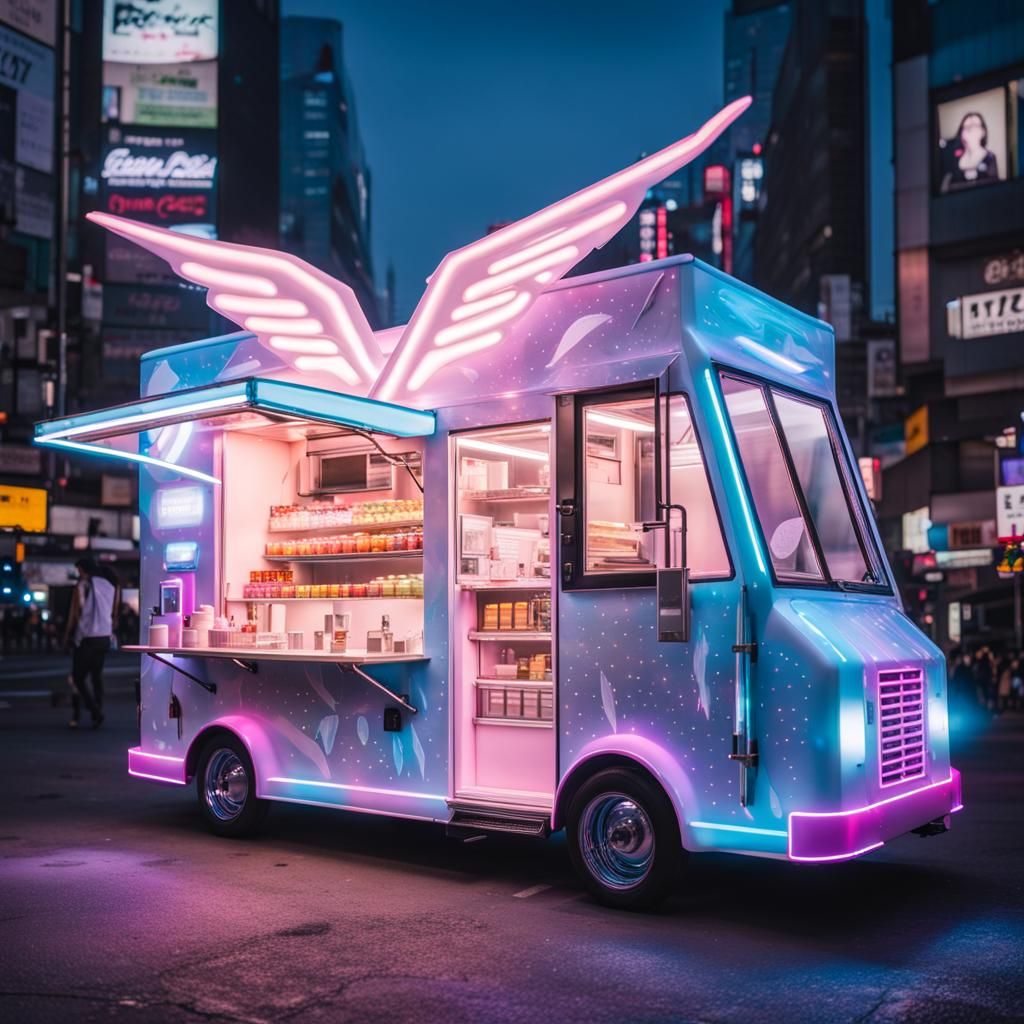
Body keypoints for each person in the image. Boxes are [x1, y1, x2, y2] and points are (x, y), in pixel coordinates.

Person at [63, 557, 119, 729]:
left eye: (79, 570)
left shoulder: (84, 586)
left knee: (78, 677)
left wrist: (71, 637)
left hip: (88, 638)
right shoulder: (109, 585)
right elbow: (113, 613)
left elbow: (80, 615)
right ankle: (97, 710)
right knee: (96, 675)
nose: (79, 574)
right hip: (104, 636)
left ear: (85, 570)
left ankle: (93, 711)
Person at [940, 111, 999, 192]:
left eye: (974, 125)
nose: (969, 129)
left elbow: (993, 189)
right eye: (966, 126)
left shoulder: (990, 157)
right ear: (961, 134)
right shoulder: (953, 156)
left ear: (983, 132)